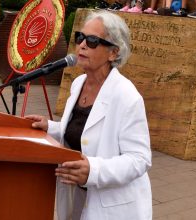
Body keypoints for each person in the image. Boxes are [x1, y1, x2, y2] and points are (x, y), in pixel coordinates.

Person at [25, 10, 152, 220]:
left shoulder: (127, 96)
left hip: (113, 207)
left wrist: (94, 170)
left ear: (113, 53)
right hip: (77, 197)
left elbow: (139, 159)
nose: (82, 44)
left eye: (93, 40)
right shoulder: (78, 84)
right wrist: (52, 127)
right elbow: (84, 129)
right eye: (80, 37)